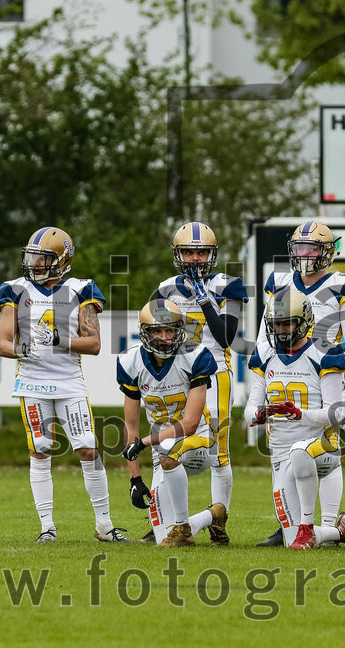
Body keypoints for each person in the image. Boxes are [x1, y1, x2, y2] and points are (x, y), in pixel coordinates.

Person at [0, 226, 127, 543]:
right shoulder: (14, 289)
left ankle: (105, 527)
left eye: (43, 258)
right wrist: (21, 349)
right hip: (32, 383)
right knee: (40, 450)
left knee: (88, 447)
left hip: (69, 382)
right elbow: (2, 342)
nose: (35, 264)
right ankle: (47, 528)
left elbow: (93, 344)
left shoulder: (82, 289)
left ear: (62, 260)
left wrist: (59, 340)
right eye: (33, 257)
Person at [255, 220, 345, 547]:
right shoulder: (280, 282)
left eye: (312, 248)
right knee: (280, 447)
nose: (304, 255)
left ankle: (329, 525)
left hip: (326, 373)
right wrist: (263, 376)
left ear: (327, 252)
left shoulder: (344, 284)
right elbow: (265, 336)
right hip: (287, 371)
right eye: (299, 248)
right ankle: (287, 523)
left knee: (325, 444)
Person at [153, 221, 247, 545]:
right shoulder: (165, 289)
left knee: (220, 451)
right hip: (177, 374)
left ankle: (218, 522)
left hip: (215, 371)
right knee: (165, 443)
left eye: (201, 252)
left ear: (213, 254)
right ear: (178, 255)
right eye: (188, 252)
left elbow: (226, 337)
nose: (195, 258)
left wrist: (204, 298)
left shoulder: (229, 285)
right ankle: (168, 523)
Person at [118, 300, 225, 547]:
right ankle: (213, 515)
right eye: (157, 331)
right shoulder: (131, 361)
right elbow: (131, 427)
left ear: (179, 332)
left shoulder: (195, 356)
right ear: (145, 333)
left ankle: (184, 535)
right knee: (163, 532)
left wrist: (144, 443)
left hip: (199, 441)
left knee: (168, 451)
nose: (164, 338)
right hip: (162, 448)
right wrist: (134, 479)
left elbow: (189, 423)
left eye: (170, 331)